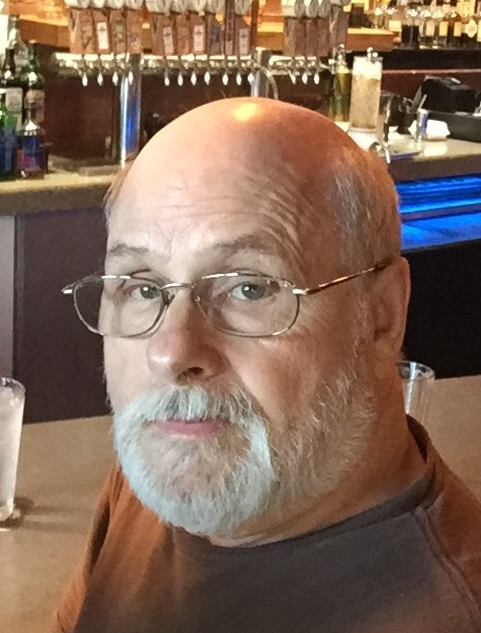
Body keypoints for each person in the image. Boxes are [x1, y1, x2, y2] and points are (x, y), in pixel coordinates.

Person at [56, 97, 481, 633]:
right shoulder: (168, 463)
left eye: (250, 288)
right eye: (143, 287)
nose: (171, 354)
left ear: (382, 314)